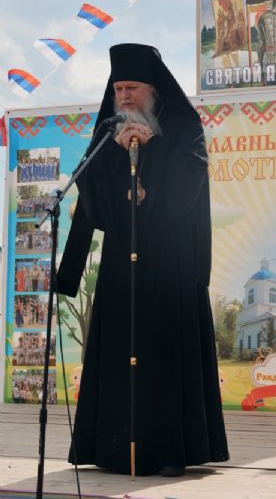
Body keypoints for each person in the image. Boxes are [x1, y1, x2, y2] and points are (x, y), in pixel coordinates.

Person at [57, 43, 229, 477]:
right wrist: (116, 155)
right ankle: (112, 450)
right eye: (118, 89)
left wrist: (154, 148)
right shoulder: (106, 134)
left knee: (167, 358)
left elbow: (187, 192)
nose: (125, 96)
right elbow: (95, 205)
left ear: (153, 90)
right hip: (121, 265)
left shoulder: (183, 127)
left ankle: (171, 451)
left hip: (171, 264)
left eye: (132, 87)